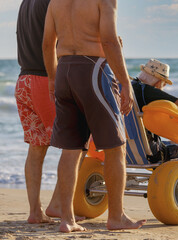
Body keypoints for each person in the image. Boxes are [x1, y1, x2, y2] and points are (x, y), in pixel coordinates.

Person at [42, 0, 146, 233]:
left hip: (64, 71)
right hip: (93, 70)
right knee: (115, 147)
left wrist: (52, 77)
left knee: (71, 149)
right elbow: (109, 40)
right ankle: (116, 217)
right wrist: (126, 81)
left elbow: (48, 43)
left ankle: (67, 219)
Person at [15, 0, 55, 224]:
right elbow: (53, 42)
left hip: (24, 79)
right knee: (77, 143)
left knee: (37, 147)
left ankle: (35, 211)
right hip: (45, 78)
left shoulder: (25, 3)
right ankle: (58, 204)